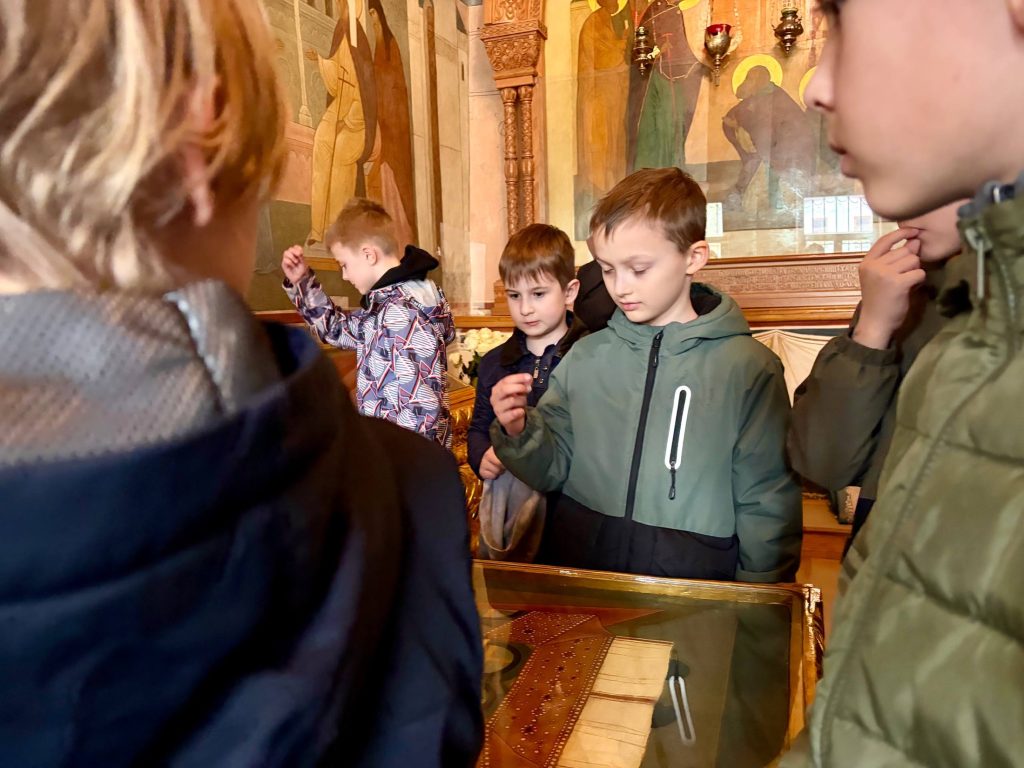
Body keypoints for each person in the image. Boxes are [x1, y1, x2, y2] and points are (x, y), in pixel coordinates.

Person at [0, 2, 481, 765]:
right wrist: (307, 292)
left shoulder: (406, 317)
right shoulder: (406, 494)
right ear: (202, 135)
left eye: (342, 264)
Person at [781, 1, 1024, 765]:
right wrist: (872, 331)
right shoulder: (961, 315)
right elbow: (823, 459)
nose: (816, 86)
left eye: (840, 18)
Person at [490, 168, 802, 582]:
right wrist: (519, 432)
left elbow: (767, 501)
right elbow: (552, 469)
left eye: (638, 269)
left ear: (694, 257)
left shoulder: (747, 368)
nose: (620, 287)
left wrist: (761, 601)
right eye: (607, 269)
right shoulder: (585, 358)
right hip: (587, 575)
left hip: (694, 586)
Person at [788, 200, 964, 548]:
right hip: (882, 549)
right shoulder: (903, 292)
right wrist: (872, 327)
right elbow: (823, 463)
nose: (904, 207)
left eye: (932, 184)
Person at [282, 199, 455, 447]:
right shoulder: (383, 309)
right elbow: (337, 329)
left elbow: (419, 408)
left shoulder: (401, 314)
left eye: (344, 265)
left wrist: (395, 463)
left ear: (368, 255)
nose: (345, 275)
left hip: (406, 461)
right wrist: (302, 282)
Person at [468, 224, 585, 481]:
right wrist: (481, 456)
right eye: (514, 295)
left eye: (538, 294)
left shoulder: (591, 355)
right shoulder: (494, 362)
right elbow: (479, 428)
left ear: (569, 291)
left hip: (572, 494)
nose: (525, 309)